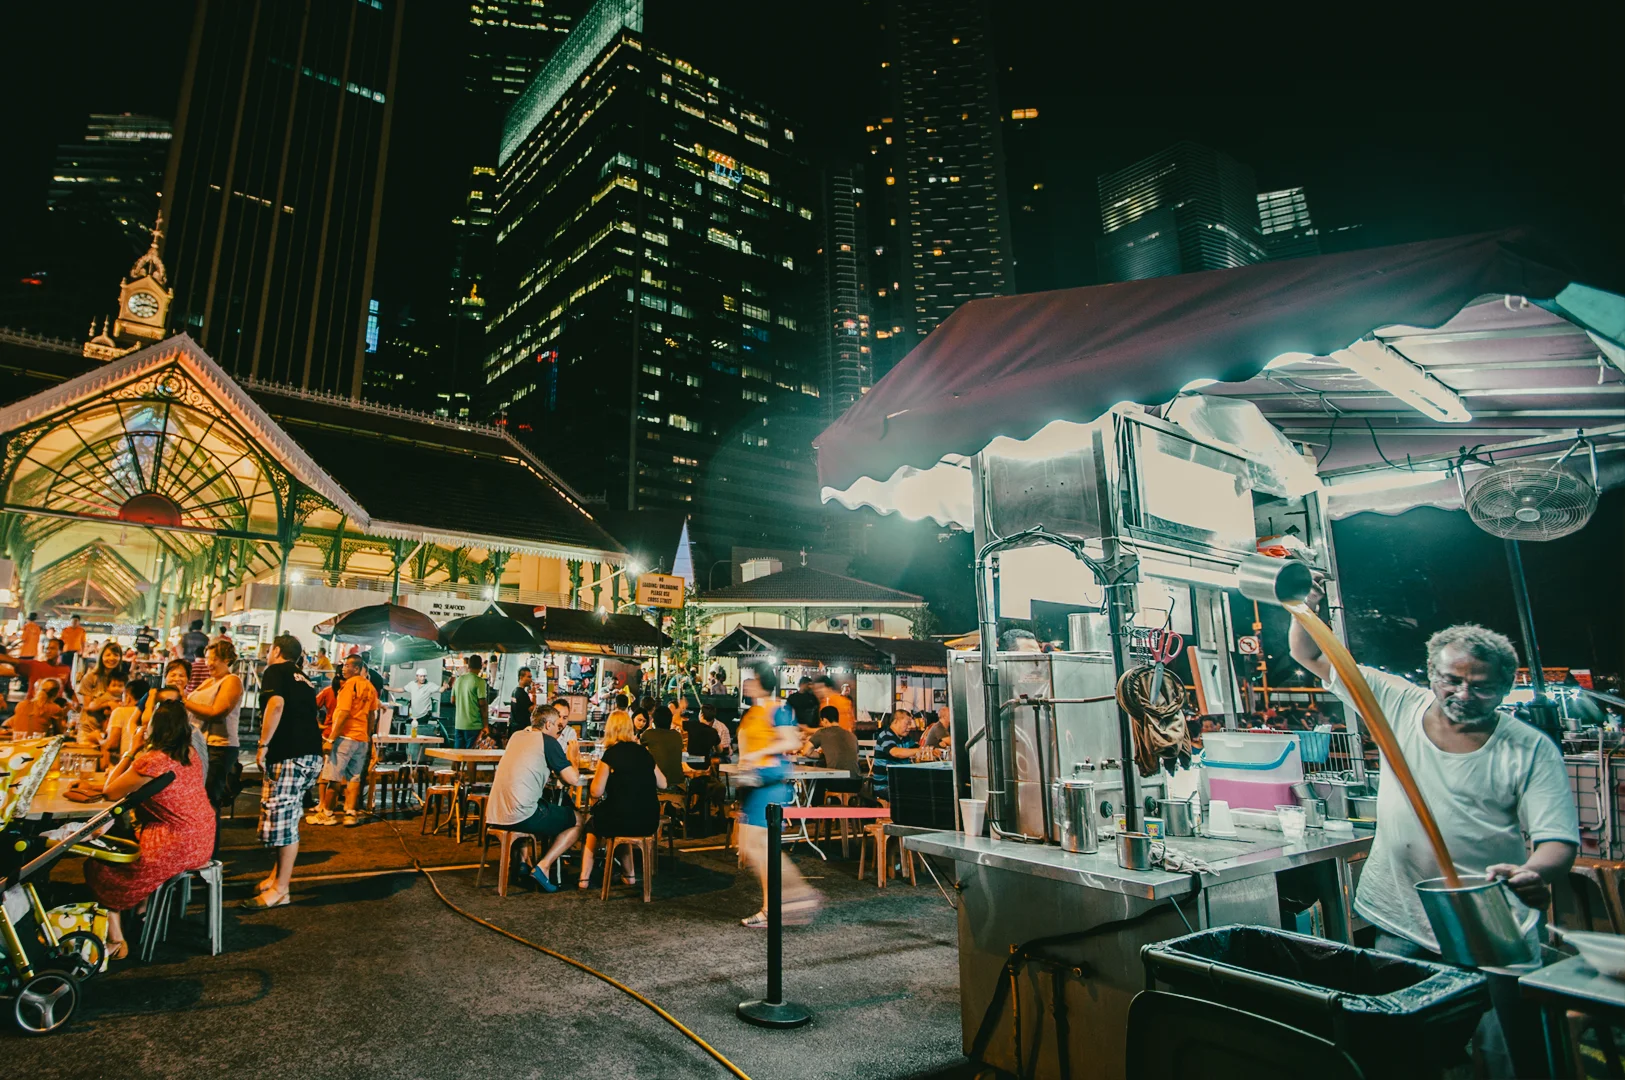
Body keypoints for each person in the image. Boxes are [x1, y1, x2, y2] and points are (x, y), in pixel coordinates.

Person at [1288, 578, 1576, 1078]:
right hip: (1400, 916)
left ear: (1505, 687)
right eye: (1451, 680)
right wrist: (1301, 608)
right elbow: (1311, 654)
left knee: (1509, 1054)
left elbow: (1557, 841)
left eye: (1481, 685)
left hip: (1490, 922)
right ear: (1431, 674)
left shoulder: (1528, 748)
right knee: (1399, 1049)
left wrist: (1535, 871)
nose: (1463, 693)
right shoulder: (1396, 701)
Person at [86, 698, 214, 961]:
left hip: (174, 844)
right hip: (202, 839)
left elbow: (111, 790)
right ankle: (143, 909)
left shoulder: (152, 761)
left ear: (156, 727)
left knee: (101, 865)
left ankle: (116, 939)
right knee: (125, 841)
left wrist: (131, 750)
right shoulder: (189, 754)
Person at [735, 660, 819, 928]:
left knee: (761, 848)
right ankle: (785, 901)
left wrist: (756, 755)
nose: (747, 683)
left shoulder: (778, 709)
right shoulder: (754, 713)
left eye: (751, 678)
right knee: (752, 847)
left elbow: (792, 741)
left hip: (769, 783)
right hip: (755, 782)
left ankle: (789, 899)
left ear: (761, 681)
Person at [248, 634, 324, 909]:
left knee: (284, 822)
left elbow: (275, 705)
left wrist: (263, 745)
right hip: (311, 755)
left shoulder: (275, 671)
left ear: (276, 650)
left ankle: (281, 889)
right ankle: (276, 877)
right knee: (287, 817)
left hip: (289, 754)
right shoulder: (303, 678)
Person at [487, 703, 586, 892]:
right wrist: (573, 756)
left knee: (540, 804)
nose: (559, 730)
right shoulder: (548, 742)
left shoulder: (516, 736)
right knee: (577, 820)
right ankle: (543, 866)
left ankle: (522, 863)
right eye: (558, 726)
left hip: (495, 813)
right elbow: (572, 779)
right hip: (521, 815)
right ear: (548, 725)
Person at [578, 710, 665, 889]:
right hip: (648, 821)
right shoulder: (644, 752)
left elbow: (595, 791)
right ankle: (629, 875)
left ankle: (584, 878)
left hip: (620, 820)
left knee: (594, 825)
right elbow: (663, 783)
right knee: (622, 818)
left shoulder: (611, 755)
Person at [310, 656, 378, 827]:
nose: (343, 669)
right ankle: (350, 813)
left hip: (345, 737)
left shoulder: (349, 686)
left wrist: (331, 738)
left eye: (347, 666)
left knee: (333, 777)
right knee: (354, 778)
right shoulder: (370, 688)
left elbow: (343, 714)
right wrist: (368, 736)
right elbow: (372, 715)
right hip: (361, 739)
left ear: (356, 669)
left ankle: (327, 813)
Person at [185, 639, 245, 809]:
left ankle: (211, 835)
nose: (208, 663)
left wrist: (184, 702)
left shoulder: (231, 681)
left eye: (214, 659)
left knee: (209, 799)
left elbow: (217, 712)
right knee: (198, 798)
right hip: (200, 745)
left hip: (218, 748)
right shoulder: (208, 682)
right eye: (207, 658)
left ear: (226, 659)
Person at [873, 710, 935, 802]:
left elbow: (918, 748)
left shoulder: (905, 738)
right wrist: (920, 750)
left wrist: (932, 751)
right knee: (918, 796)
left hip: (901, 783)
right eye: (907, 723)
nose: (909, 727)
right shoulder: (885, 735)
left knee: (928, 790)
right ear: (896, 721)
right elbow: (895, 752)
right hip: (885, 786)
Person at [804, 705, 861, 798]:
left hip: (837, 782)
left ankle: (816, 808)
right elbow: (856, 757)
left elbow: (806, 751)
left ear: (825, 720)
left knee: (816, 778)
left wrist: (822, 755)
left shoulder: (822, 732)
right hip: (856, 782)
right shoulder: (851, 735)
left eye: (822, 721)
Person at [640, 705, 686, 795]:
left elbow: (639, 747)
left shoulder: (648, 734)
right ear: (670, 720)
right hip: (678, 784)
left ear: (654, 721)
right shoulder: (677, 735)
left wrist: (650, 725)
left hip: (656, 785)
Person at [102, 677, 148, 764]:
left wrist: (97, 738)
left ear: (128, 698)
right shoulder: (150, 713)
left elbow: (112, 744)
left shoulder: (120, 711)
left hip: (127, 766)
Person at [3, 678, 67, 736]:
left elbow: (5, 725)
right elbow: (58, 733)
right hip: (36, 744)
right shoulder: (55, 708)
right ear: (57, 693)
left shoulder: (22, 704)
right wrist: (65, 712)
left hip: (17, 744)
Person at [77, 642, 128, 711]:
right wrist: (108, 704)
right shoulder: (90, 677)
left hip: (112, 720)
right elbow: (87, 707)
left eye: (115, 655)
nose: (111, 658)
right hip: (90, 721)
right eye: (108, 655)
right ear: (101, 657)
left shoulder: (121, 678)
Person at [452, 654, 489, 749]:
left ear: (468, 666)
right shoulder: (480, 681)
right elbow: (482, 705)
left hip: (459, 723)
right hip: (473, 725)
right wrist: (485, 725)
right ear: (481, 667)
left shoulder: (458, 680)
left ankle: (455, 765)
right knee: (471, 756)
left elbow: (452, 700)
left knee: (457, 755)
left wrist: (463, 703)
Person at [79, 672, 126, 745]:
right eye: (114, 685)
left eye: (120, 686)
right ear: (107, 687)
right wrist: (105, 705)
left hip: (101, 729)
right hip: (91, 726)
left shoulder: (122, 699)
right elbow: (91, 706)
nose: (117, 688)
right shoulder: (105, 697)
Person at [506, 666, 535, 745]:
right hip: (521, 729)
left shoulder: (514, 692)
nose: (530, 679)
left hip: (514, 728)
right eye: (528, 677)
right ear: (521, 677)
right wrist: (534, 694)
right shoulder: (522, 694)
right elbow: (532, 709)